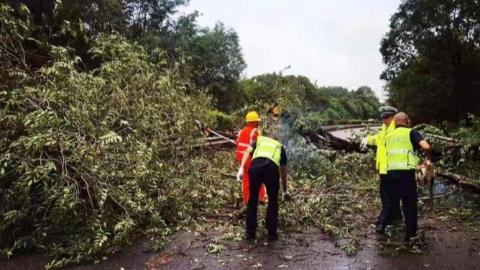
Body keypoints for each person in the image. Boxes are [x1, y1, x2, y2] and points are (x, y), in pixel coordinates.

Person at [379, 112, 432, 241]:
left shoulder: (389, 135)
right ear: (407, 121)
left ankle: (382, 225)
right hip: (406, 174)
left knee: (392, 202)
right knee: (409, 204)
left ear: (395, 122)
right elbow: (426, 146)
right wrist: (427, 159)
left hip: (391, 174)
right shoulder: (411, 132)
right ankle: (410, 234)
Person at [236, 134, 289, 241]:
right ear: (276, 139)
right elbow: (283, 172)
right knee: (273, 201)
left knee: (252, 199)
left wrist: (241, 168)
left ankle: (250, 233)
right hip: (271, 169)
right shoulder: (280, 146)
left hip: (255, 168)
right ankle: (271, 233)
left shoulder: (259, 141)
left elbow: (247, 151)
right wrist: (285, 190)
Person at [361, 105, 402, 232]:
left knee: (387, 196)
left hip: (392, 168)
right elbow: (379, 139)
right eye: (383, 118)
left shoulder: (396, 130)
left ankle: (382, 222)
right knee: (390, 195)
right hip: (384, 169)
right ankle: (396, 216)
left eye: (387, 117)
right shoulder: (385, 128)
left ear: (393, 116)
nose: (385, 120)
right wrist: (367, 139)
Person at [235, 111, 266, 208]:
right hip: (251, 159)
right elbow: (260, 145)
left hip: (242, 160)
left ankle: (247, 200)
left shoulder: (240, 132)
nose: (258, 123)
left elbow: (237, 144)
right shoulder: (255, 132)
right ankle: (260, 199)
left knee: (246, 179)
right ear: (254, 122)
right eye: (257, 122)